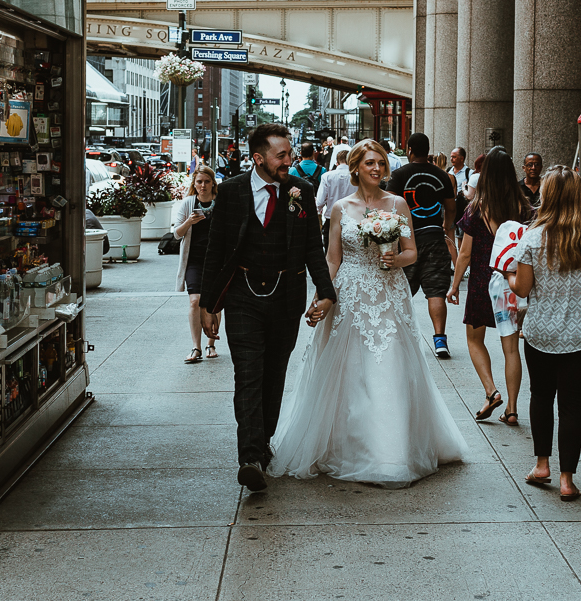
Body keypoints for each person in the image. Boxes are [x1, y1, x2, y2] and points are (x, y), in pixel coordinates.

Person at [268, 139, 468, 487]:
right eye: (370, 163)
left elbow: (412, 252)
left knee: (388, 364)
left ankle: (391, 452)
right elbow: (333, 258)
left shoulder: (398, 204)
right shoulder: (340, 209)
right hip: (349, 295)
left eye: (381, 163)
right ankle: (347, 444)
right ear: (356, 167)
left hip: (388, 295)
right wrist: (322, 296)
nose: (377, 168)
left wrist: (395, 259)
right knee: (348, 369)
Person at [199, 124, 338, 493]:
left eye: (290, 154)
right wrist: (208, 305)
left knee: (274, 374)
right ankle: (250, 457)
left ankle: (263, 443)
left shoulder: (301, 191)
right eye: (282, 156)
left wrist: (326, 292)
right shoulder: (230, 191)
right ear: (258, 158)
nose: (289, 161)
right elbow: (216, 249)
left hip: (286, 295)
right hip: (243, 295)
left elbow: (313, 247)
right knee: (247, 373)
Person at [511, 166, 581, 501]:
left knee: (541, 396)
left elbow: (523, 289)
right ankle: (567, 479)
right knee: (573, 405)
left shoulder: (532, 237)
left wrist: (509, 277)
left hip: (542, 332)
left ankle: (542, 464)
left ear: (547, 195)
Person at [447, 147, 531, 424]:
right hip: (511, 283)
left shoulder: (476, 209)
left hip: (483, 282)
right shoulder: (524, 208)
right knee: (510, 348)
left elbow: (466, 254)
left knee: (474, 340)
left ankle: (490, 391)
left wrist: (455, 285)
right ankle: (513, 408)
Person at [386, 132, 458, 359]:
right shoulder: (442, 176)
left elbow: (388, 208)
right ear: (428, 151)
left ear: (409, 150)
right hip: (435, 239)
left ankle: (398, 338)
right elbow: (451, 208)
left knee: (401, 291)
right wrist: (445, 229)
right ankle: (440, 341)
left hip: (408, 242)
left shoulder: (399, 174)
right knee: (436, 291)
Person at [173, 167, 221, 363]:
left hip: (216, 260)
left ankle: (211, 344)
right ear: (194, 184)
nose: (203, 186)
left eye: (207, 182)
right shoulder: (188, 204)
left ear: (213, 184)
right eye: (199, 182)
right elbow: (176, 234)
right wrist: (189, 222)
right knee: (195, 301)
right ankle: (196, 347)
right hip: (194, 260)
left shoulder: (220, 204)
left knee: (214, 303)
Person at [315, 145, 356, 243]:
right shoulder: (356, 177)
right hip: (353, 220)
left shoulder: (327, 177)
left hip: (332, 219)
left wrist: (319, 210)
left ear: (336, 162)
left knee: (330, 253)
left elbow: (320, 202)